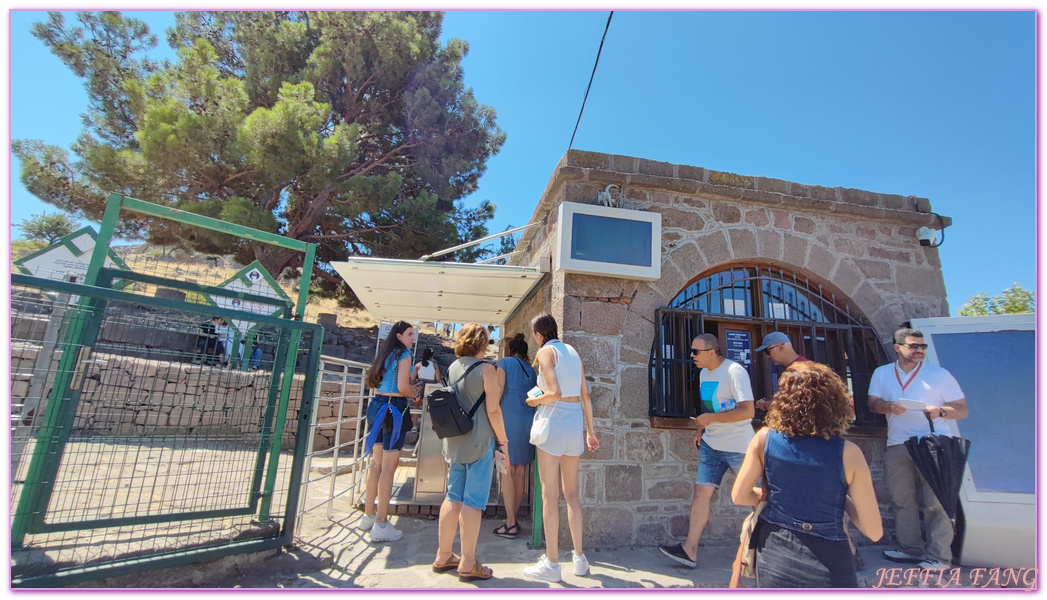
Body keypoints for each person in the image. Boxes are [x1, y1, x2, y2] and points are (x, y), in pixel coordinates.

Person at [731, 361, 883, 588]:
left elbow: (740, 496)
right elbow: (874, 531)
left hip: (776, 552)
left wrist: (766, 497)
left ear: (783, 401)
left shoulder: (764, 439)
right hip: (830, 559)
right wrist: (840, 498)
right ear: (834, 401)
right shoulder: (849, 453)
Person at [868, 327, 967, 571]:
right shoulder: (882, 373)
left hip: (934, 443)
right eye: (913, 346)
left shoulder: (939, 374)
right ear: (897, 347)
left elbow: (962, 409)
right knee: (902, 499)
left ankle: (940, 556)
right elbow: (872, 404)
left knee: (936, 501)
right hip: (898, 442)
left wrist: (940, 411)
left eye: (922, 346)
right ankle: (910, 549)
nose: (919, 350)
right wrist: (888, 407)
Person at [660, 333, 754, 569]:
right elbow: (709, 407)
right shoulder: (703, 374)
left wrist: (710, 418)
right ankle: (689, 550)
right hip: (712, 445)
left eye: (696, 352)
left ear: (713, 351)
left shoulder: (734, 372)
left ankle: (773, 548)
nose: (691, 356)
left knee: (758, 497)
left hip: (739, 447)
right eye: (691, 352)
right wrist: (701, 430)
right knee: (702, 493)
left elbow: (748, 411)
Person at [523, 314, 599, 583]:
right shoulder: (572, 352)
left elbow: (553, 392)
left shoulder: (546, 352)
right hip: (574, 422)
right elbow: (585, 395)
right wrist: (591, 431)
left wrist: (535, 401)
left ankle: (552, 563)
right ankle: (579, 558)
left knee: (549, 495)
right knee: (572, 495)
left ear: (538, 333)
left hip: (553, 421)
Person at [433, 324, 511, 582]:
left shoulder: (453, 367)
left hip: (454, 440)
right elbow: (493, 410)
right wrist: (503, 441)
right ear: (482, 343)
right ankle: (467, 563)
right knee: (473, 502)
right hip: (479, 441)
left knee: (453, 496)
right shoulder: (487, 369)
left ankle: (444, 555)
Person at [358, 321, 421, 542]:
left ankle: (368, 515)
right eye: (410, 334)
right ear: (399, 336)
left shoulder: (383, 355)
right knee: (389, 467)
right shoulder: (404, 355)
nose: (413, 338)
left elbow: (374, 385)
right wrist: (414, 393)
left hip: (377, 406)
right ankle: (382, 524)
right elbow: (403, 386)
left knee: (376, 464)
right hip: (394, 410)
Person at [492, 333, 538, 539]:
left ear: (510, 350)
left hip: (508, 420)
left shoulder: (504, 363)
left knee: (507, 470)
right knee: (520, 472)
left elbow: (497, 392)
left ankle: (510, 523)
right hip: (528, 422)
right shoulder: (531, 371)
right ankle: (514, 518)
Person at [753, 331, 808, 412]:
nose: (767, 356)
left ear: (780, 347)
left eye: (767, 351)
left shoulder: (802, 370)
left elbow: (794, 404)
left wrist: (767, 404)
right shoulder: (794, 368)